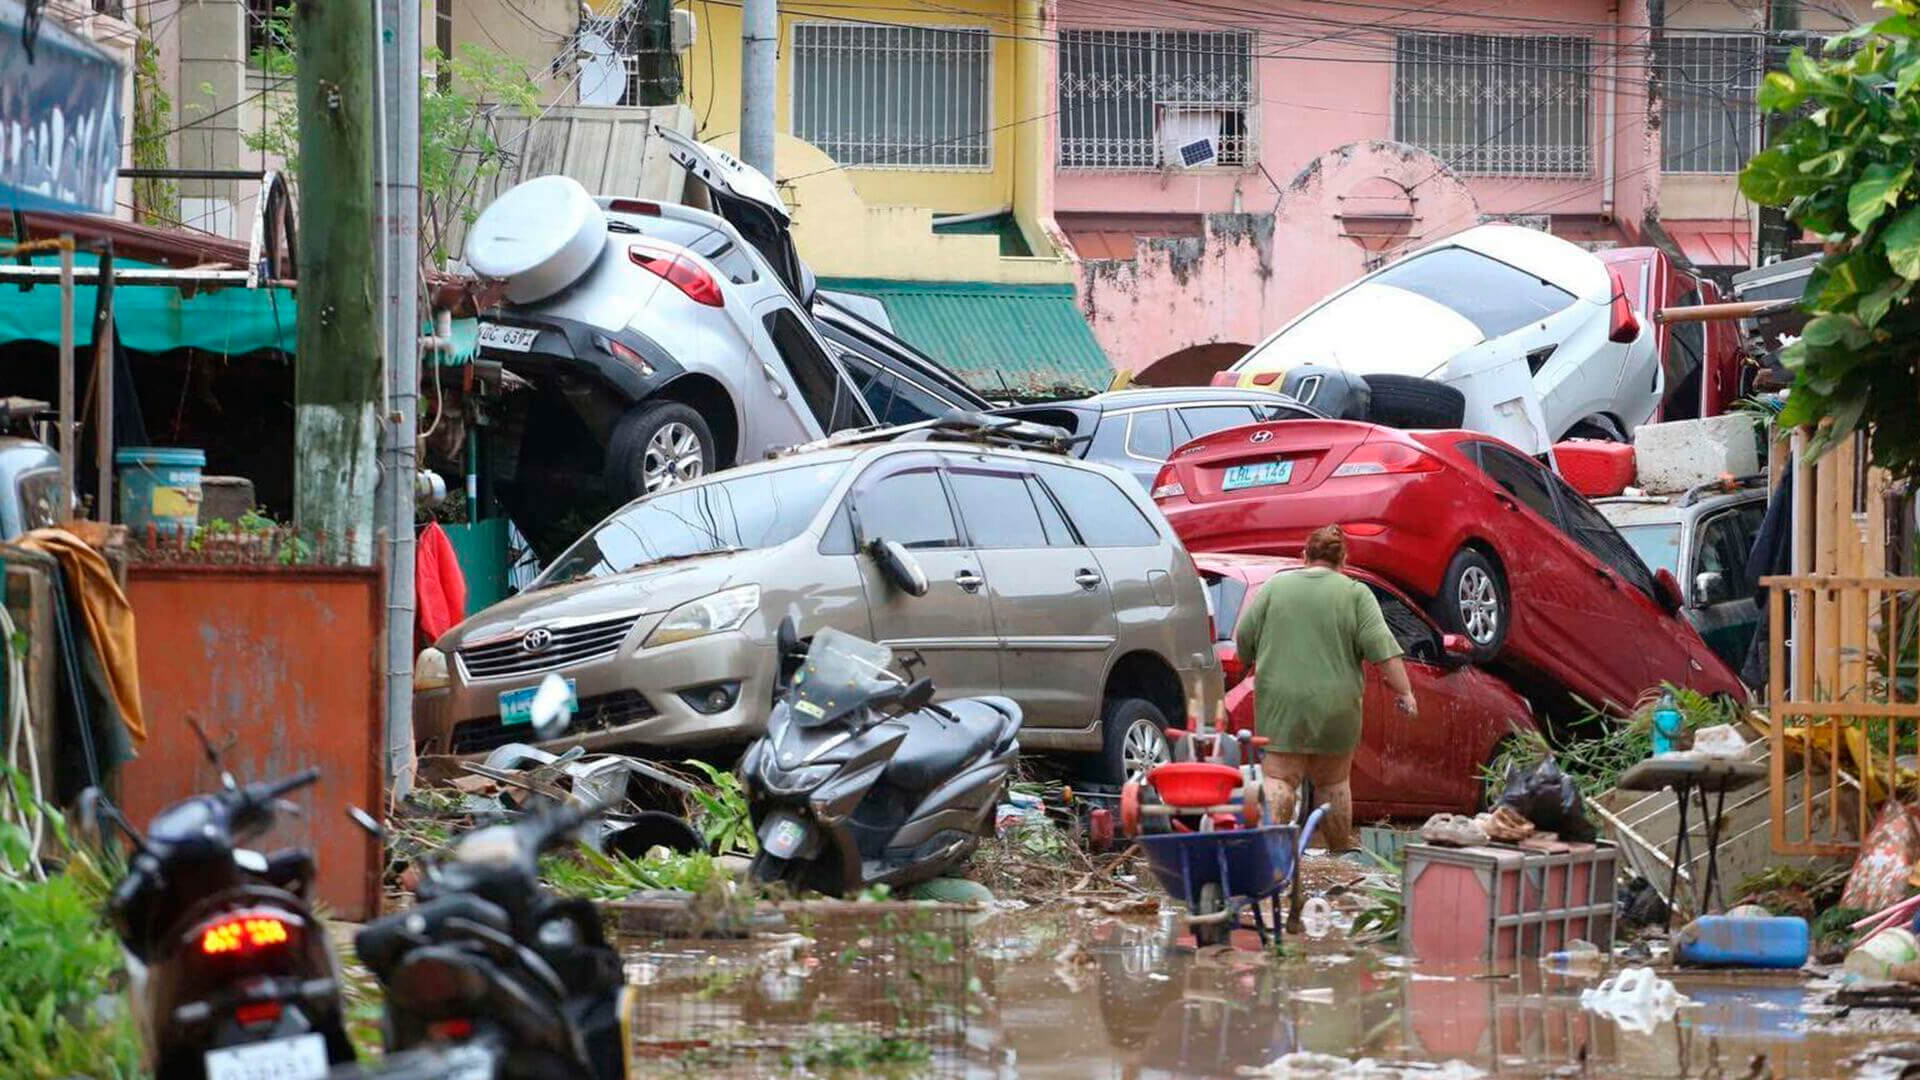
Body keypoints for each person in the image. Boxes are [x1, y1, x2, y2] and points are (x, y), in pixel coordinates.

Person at [1233, 524, 1417, 855]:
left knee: (1279, 780)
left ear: (1304, 556)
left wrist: (1246, 662)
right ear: (1343, 560)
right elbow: (1383, 649)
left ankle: (1271, 856)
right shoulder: (1355, 593)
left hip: (1281, 704)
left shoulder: (1275, 587)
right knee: (1333, 783)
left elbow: (1244, 640)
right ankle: (1339, 855)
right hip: (1337, 706)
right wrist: (1405, 693)